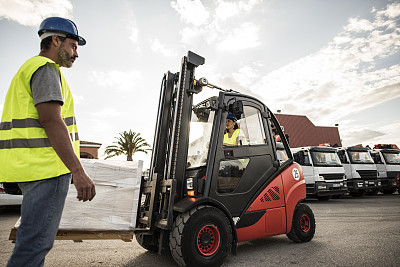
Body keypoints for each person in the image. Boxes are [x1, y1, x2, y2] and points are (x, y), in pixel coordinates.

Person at [0, 17, 96, 267]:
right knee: (34, 246)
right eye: (73, 46)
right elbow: (52, 121)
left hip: (31, 168)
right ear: (55, 40)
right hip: (47, 170)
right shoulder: (45, 69)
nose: (76, 54)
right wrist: (78, 171)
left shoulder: (29, 68)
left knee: (32, 244)